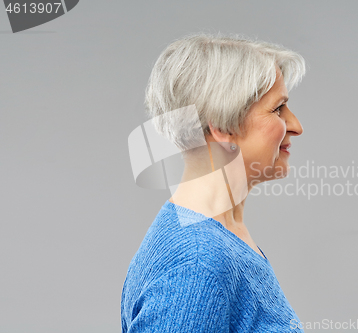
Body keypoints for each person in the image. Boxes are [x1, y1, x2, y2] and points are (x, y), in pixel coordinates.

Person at [121, 33, 306, 332]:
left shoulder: (224, 237)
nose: (295, 126)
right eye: (277, 109)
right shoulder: (197, 262)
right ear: (222, 126)